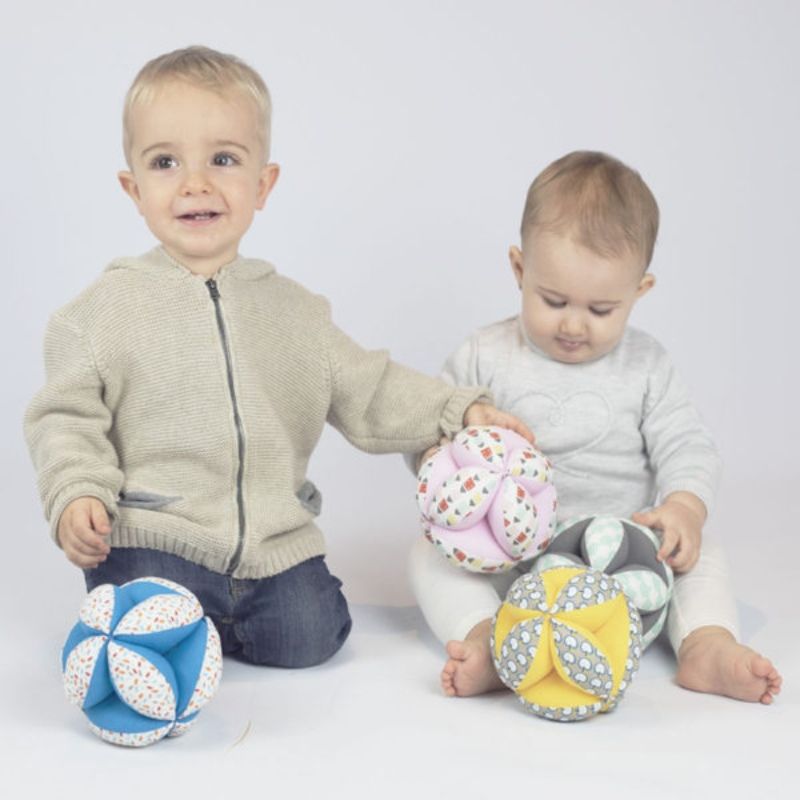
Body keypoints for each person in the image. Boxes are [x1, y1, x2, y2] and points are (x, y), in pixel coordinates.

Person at [24, 45, 530, 669]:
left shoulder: (296, 314)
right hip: (153, 538)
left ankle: (212, 631)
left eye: (224, 159)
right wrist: (77, 493)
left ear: (263, 184)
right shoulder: (98, 313)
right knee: (143, 631)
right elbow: (66, 420)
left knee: (313, 637)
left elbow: (368, 389)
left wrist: (459, 411)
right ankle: (162, 633)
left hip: (271, 546)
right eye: (165, 162)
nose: (195, 182)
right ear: (133, 188)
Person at [409, 151, 782, 704]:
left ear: (640, 290)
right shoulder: (484, 354)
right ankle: (490, 637)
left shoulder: (647, 365)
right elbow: (428, 427)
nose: (574, 324)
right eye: (553, 300)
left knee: (703, 555)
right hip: (516, 559)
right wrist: (447, 465)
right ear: (519, 269)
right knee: (427, 554)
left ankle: (705, 643)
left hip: (627, 556)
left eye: (602, 309)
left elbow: (688, 444)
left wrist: (684, 508)